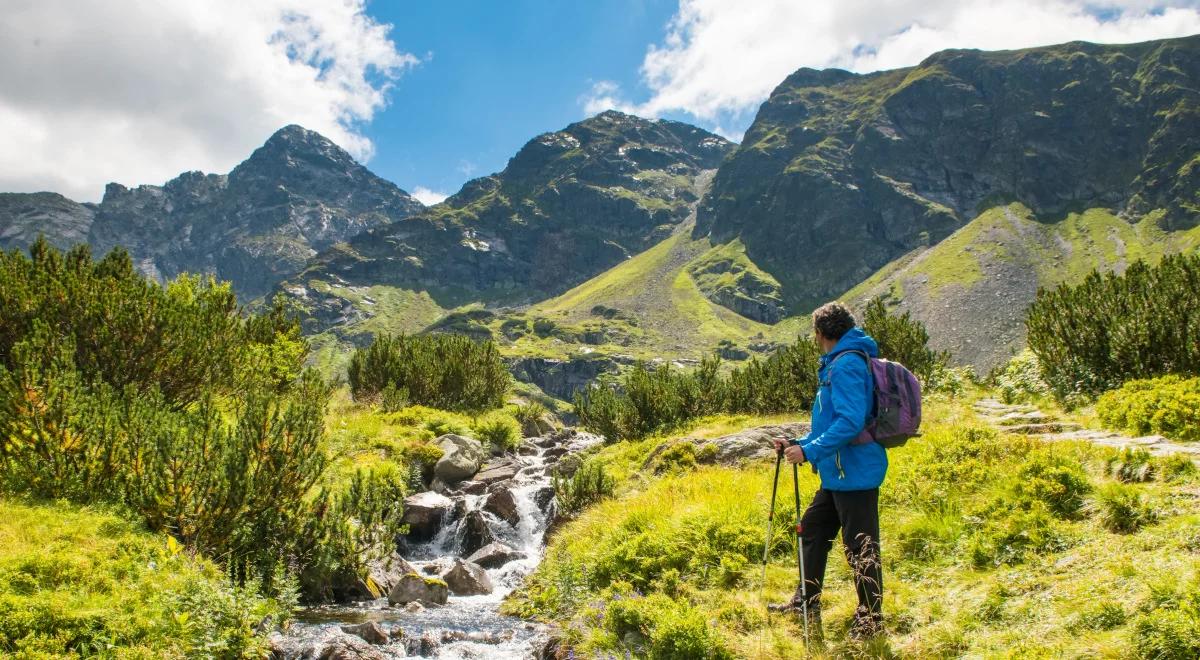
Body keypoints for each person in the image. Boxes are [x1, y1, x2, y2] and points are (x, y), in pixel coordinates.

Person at [770, 301, 886, 640]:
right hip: (838, 473)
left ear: (820, 334)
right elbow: (833, 424)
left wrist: (808, 451)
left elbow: (850, 422)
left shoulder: (847, 364)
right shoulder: (839, 362)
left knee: (861, 549)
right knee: (812, 531)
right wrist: (799, 441)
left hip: (856, 473)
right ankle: (806, 602)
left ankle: (870, 622)